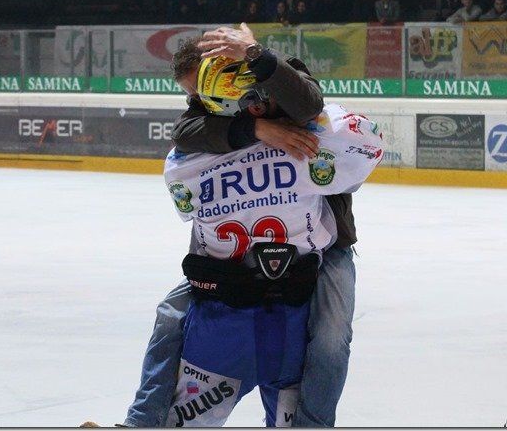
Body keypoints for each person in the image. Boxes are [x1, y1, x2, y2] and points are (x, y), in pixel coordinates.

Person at [123, 24, 362, 427]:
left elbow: (309, 105)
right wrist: (256, 130)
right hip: (236, 254)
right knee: (171, 314)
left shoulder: (278, 75)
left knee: (331, 337)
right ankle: (143, 421)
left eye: (202, 90)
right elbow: (184, 131)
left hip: (321, 244)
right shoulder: (210, 106)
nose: (199, 102)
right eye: (193, 96)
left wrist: (257, 55)